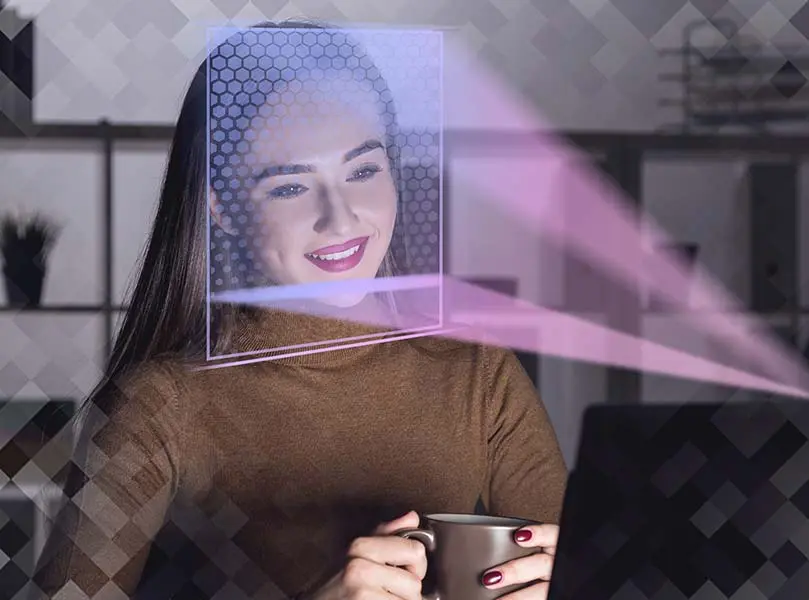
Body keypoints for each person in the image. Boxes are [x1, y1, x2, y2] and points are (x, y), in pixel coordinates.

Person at [33, 20, 567, 600]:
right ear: (222, 208)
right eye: (290, 186)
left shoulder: (478, 371)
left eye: (363, 170)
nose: (341, 218)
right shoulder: (156, 405)